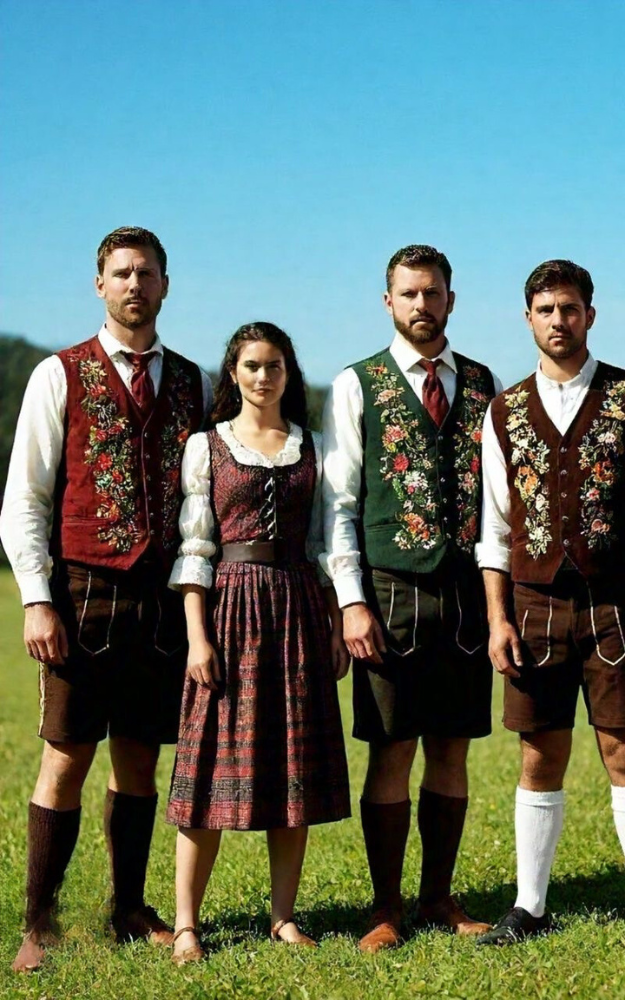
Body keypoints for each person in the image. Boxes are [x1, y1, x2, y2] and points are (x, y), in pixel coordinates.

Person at [0, 227, 212, 973]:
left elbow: (205, 496)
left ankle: (128, 908)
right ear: (100, 285)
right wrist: (35, 598)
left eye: (145, 273)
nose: (133, 284)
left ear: (165, 284)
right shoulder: (59, 374)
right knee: (65, 756)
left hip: (160, 599)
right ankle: (41, 922)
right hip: (81, 592)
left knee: (139, 761)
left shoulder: (194, 383)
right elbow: (24, 498)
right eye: (120, 273)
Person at [476, 259, 625, 946]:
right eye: (546, 310)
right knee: (540, 754)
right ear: (527, 318)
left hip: (614, 601)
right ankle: (530, 904)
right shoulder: (502, 410)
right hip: (533, 605)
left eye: (570, 308)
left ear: (590, 314)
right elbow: (495, 529)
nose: (559, 321)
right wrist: (497, 617)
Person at [323, 244, 500, 952]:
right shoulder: (355, 384)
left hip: (462, 592)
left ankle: (439, 898)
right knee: (391, 751)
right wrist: (350, 601)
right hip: (389, 592)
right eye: (408, 294)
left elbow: (499, 502)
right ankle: (385, 907)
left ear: (451, 299)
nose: (422, 305)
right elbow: (338, 501)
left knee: (452, 749)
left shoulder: (485, 383)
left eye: (433, 293)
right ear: (387, 302)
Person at [166, 322, 351, 965]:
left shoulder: (313, 447)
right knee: (208, 769)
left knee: (291, 769)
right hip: (229, 608)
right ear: (234, 373)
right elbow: (195, 549)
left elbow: (327, 544)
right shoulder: (206, 447)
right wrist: (197, 637)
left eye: (274, 365)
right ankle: (187, 923)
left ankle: (283, 916)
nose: (263, 376)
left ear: (288, 374)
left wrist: (332, 622)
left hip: (298, 605)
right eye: (251, 365)